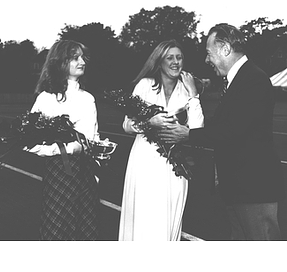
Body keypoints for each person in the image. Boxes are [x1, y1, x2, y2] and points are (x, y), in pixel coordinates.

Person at [159, 24, 284, 240]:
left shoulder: (253, 79)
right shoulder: (238, 80)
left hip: (254, 190)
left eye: (209, 53)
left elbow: (234, 131)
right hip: (238, 189)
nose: (207, 60)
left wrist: (187, 135)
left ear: (225, 48)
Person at [118, 39, 204, 241]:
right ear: (159, 61)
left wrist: (194, 94)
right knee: (143, 217)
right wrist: (150, 122)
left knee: (169, 215)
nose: (175, 62)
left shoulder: (187, 90)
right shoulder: (145, 85)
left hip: (175, 164)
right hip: (144, 160)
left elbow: (198, 128)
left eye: (179, 57)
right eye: (170, 57)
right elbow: (126, 124)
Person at [25, 40, 100, 240]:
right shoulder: (46, 98)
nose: (82, 61)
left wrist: (98, 159)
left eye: (83, 57)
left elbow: (93, 137)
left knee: (85, 233)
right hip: (58, 174)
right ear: (60, 62)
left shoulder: (88, 98)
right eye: (75, 58)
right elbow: (29, 142)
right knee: (56, 233)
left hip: (85, 173)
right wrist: (63, 150)